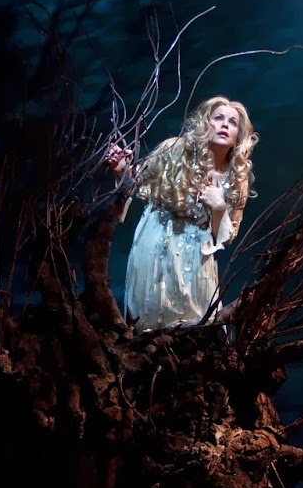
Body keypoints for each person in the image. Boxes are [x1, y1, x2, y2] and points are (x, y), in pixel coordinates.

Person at [105, 96, 257, 335]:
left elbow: (227, 236)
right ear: (205, 123)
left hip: (195, 256)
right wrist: (122, 171)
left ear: (238, 136)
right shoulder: (173, 149)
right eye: (218, 118)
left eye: (232, 122)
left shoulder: (237, 177)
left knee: (194, 329)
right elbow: (137, 181)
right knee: (148, 326)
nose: (225, 125)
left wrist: (218, 208)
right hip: (155, 242)